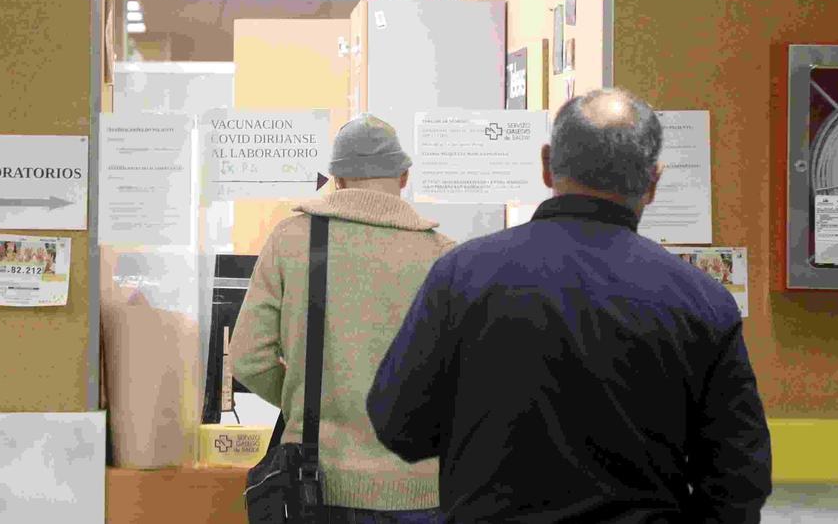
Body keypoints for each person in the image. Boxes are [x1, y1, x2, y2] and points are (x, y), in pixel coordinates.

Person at [367, 88, 772, 523]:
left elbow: (399, 426)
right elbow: (739, 475)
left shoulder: (461, 274)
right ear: (653, 182)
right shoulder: (703, 301)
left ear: (546, 165)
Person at [232, 115, 455, 524]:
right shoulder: (444, 256)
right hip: (422, 489)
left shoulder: (292, 240)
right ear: (404, 177)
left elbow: (247, 358)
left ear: (336, 179)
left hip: (315, 485)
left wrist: (308, 403)